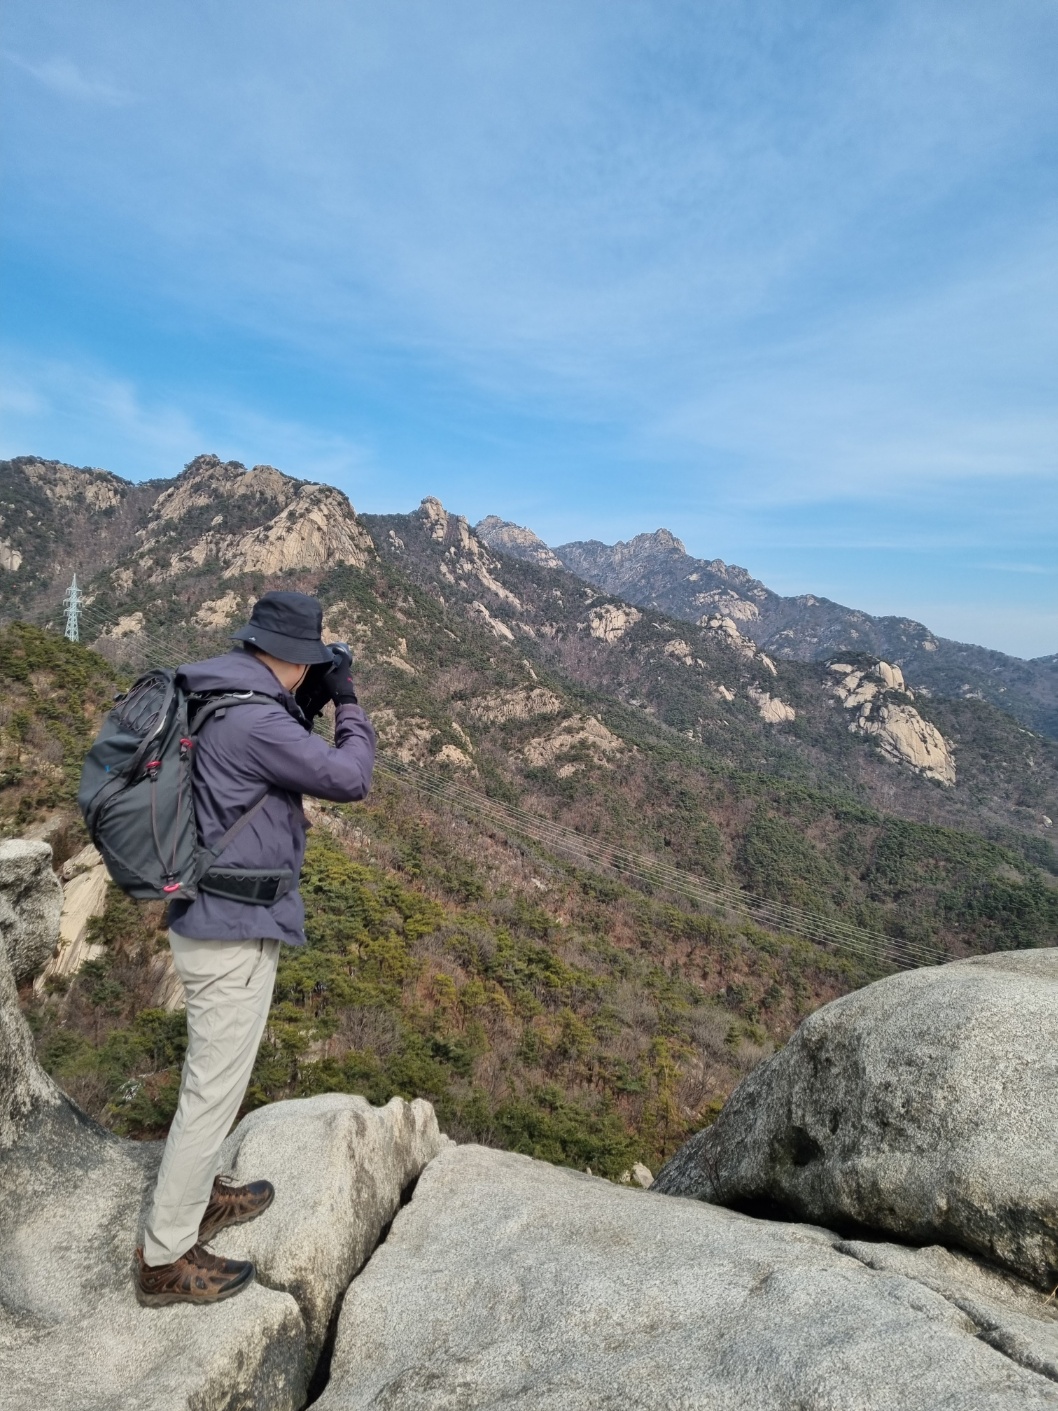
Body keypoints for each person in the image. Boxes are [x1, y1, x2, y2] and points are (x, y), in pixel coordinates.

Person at [135, 590, 376, 1306]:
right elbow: (350, 776)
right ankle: (164, 1254)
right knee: (212, 1091)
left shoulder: (217, 689)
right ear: (300, 662)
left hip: (211, 914)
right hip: (228, 927)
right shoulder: (256, 717)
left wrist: (307, 697)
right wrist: (350, 701)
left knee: (219, 1079)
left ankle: (202, 1195)